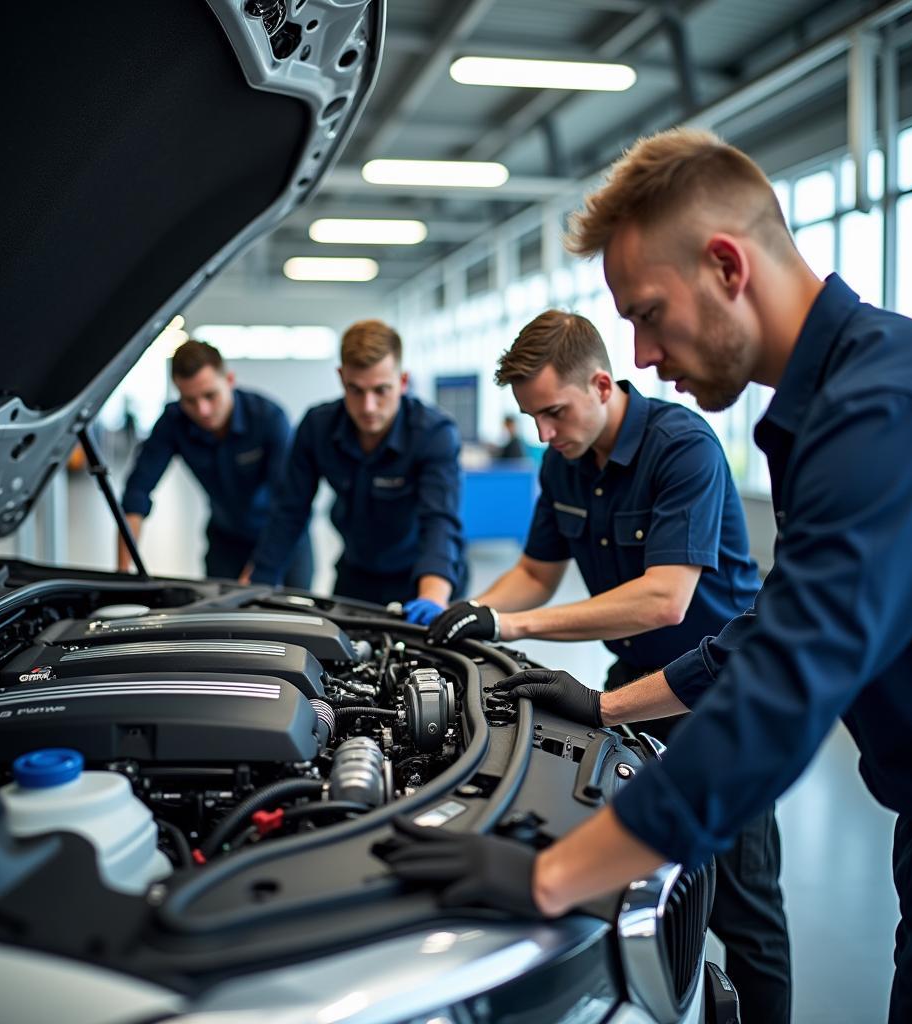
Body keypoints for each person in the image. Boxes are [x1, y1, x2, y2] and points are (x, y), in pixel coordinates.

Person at [381, 128, 912, 1021]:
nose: (642, 357)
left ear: (728, 266)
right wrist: (605, 705)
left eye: (648, 313)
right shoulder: (821, 415)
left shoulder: (882, 412)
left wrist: (550, 878)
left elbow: (783, 687)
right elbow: (767, 631)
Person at [426, 309, 790, 1022]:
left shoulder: (683, 447)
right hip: (633, 685)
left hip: (723, 694)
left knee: (745, 912)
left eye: (553, 413)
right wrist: (470, 613)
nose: (542, 435)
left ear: (601, 383)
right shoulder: (564, 461)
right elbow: (534, 572)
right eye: (531, 417)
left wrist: (510, 622)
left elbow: (665, 600)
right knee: (634, 875)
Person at [246, 319, 466, 621]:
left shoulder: (434, 433)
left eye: (381, 390)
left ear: (402, 381)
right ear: (341, 378)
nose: (369, 407)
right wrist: (259, 583)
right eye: (356, 390)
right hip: (357, 572)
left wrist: (433, 597)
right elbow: (290, 511)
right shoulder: (317, 427)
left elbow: (439, 520)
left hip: (423, 575)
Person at [119, 340, 313, 584]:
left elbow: (287, 503)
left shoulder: (269, 418)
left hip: (282, 534)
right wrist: (123, 573)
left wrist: (259, 572)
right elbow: (137, 491)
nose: (203, 410)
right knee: (223, 615)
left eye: (210, 395)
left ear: (229, 380)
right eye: (190, 400)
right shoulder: (173, 422)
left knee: (296, 616)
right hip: (226, 538)